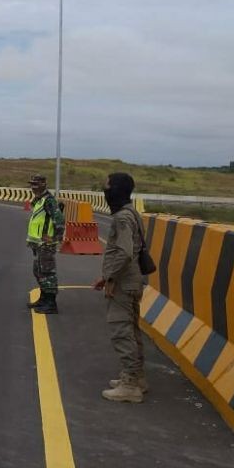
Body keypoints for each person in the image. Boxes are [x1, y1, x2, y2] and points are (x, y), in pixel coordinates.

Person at [94, 172, 147, 403]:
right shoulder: (132, 212)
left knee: (120, 329)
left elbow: (124, 253)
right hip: (132, 279)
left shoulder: (122, 218)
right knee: (132, 329)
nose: (104, 190)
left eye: (107, 186)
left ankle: (130, 385)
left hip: (124, 282)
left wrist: (110, 277)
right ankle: (136, 377)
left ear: (116, 190)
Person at [26, 174, 66, 314]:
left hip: (46, 244)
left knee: (47, 272)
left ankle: (51, 303)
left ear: (44, 184)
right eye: (32, 184)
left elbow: (59, 220)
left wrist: (56, 237)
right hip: (38, 244)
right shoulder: (39, 200)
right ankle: (43, 298)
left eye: (36, 184)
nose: (33, 187)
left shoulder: (49, 201)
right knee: (38, 271)